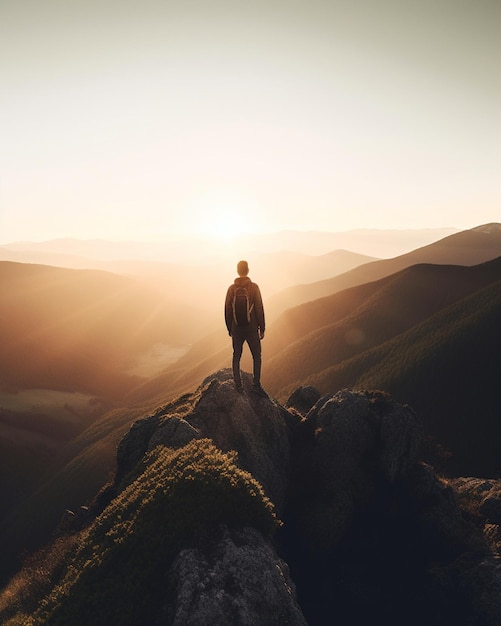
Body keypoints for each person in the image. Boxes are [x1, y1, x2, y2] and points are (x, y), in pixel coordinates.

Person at [225, 260, 266, 395]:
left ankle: (238, 385)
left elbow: (227, 310)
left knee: (236, 356)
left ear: (238, 271)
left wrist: (229, 328)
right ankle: (256, 385)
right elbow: (259, 308)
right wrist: (262, 327)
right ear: (248, 270)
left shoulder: (231, 289)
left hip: (236, 328)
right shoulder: (254, 287)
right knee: (256, 356)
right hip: (252, 328)